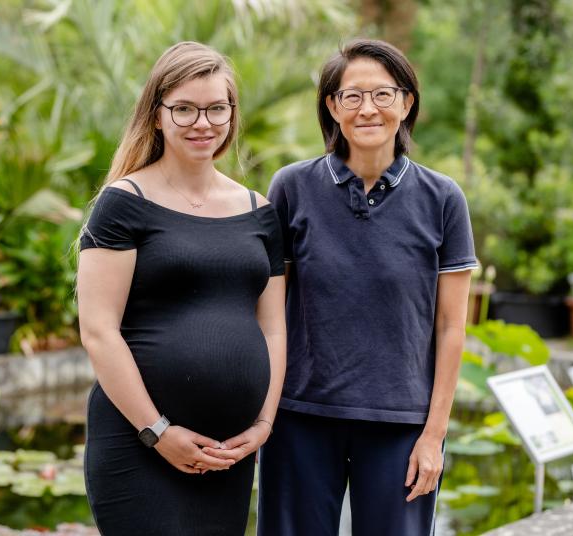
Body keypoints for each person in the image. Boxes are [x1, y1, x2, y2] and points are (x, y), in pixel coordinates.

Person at [255, 39, 478, 535]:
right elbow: (269, 314)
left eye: (383, 94)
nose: (367, 109)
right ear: (332, 107)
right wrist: (263, 415)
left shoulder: (444, 199)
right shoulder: (291, 188)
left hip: (402, 424)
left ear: (407, 102)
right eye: (351, 96)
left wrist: (434, 436)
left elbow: (451, 328)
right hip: (300, 416)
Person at [76, 41, 286, 535]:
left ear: (232, 114)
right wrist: (157, 431)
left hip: (228, 451)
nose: (203, 122)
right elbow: (99, 331)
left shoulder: (259, 210)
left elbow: (274, 328)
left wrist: (262, 425)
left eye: (217, 108)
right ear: (156, 115)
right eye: (185, 109)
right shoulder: (124, 202)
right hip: (138, 445)